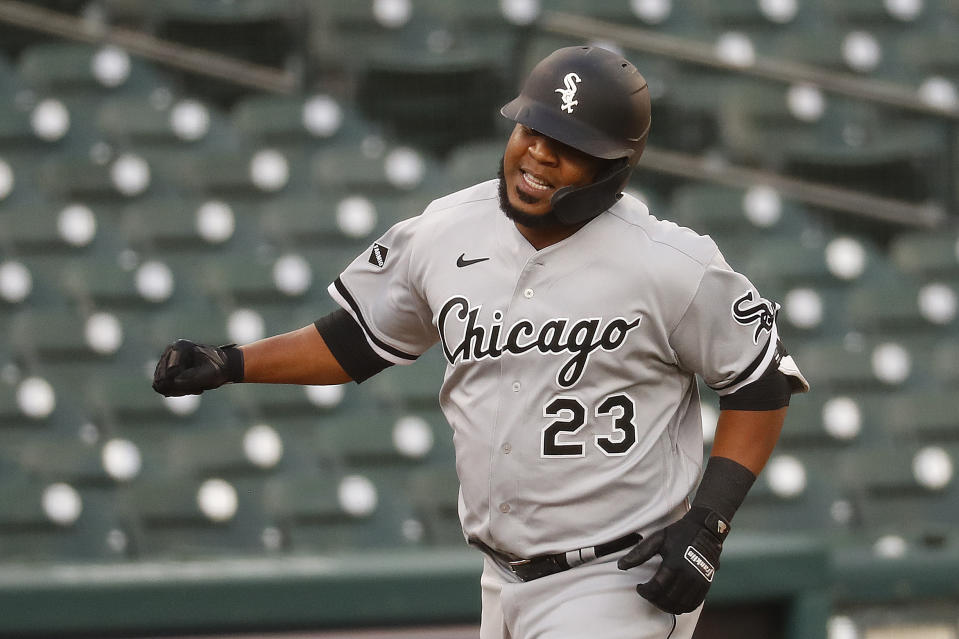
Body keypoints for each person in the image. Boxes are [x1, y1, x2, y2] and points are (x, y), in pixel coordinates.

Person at [153, 46, 808, 639]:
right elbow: (358, 340)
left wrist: (707, 524)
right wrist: (230, 363)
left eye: (569, 144)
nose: (540, 153)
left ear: (617, 165)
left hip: (617, 578)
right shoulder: (444, 231)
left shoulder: (670, 263)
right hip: (502, 578)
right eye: (533, 129)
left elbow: (758, 381)